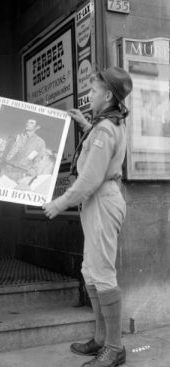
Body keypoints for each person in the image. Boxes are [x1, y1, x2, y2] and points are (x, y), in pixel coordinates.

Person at [43, 67, 133, 367]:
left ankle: (114, 346)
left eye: (93, 91)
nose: (89, 95)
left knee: (102, 273)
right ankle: (100, 338)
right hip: (98, 201)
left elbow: (91, 177)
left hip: (101, 200)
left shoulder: (105, 128)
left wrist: (60, 204)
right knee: (90, 270)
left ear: (108, 95)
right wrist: (85, 125)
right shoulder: (105, 123)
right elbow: (98, 154)